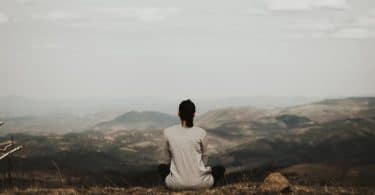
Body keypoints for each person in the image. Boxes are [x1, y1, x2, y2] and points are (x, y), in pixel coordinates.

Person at [158, 99, 225, 190]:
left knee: (161, 168)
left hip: (176, 184)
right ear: (194, 114)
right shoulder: (201, 133)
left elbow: (167, 160)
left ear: (178, 113)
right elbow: (204, 159)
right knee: (220, 169)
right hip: (202, 184)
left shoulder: (168, 132)